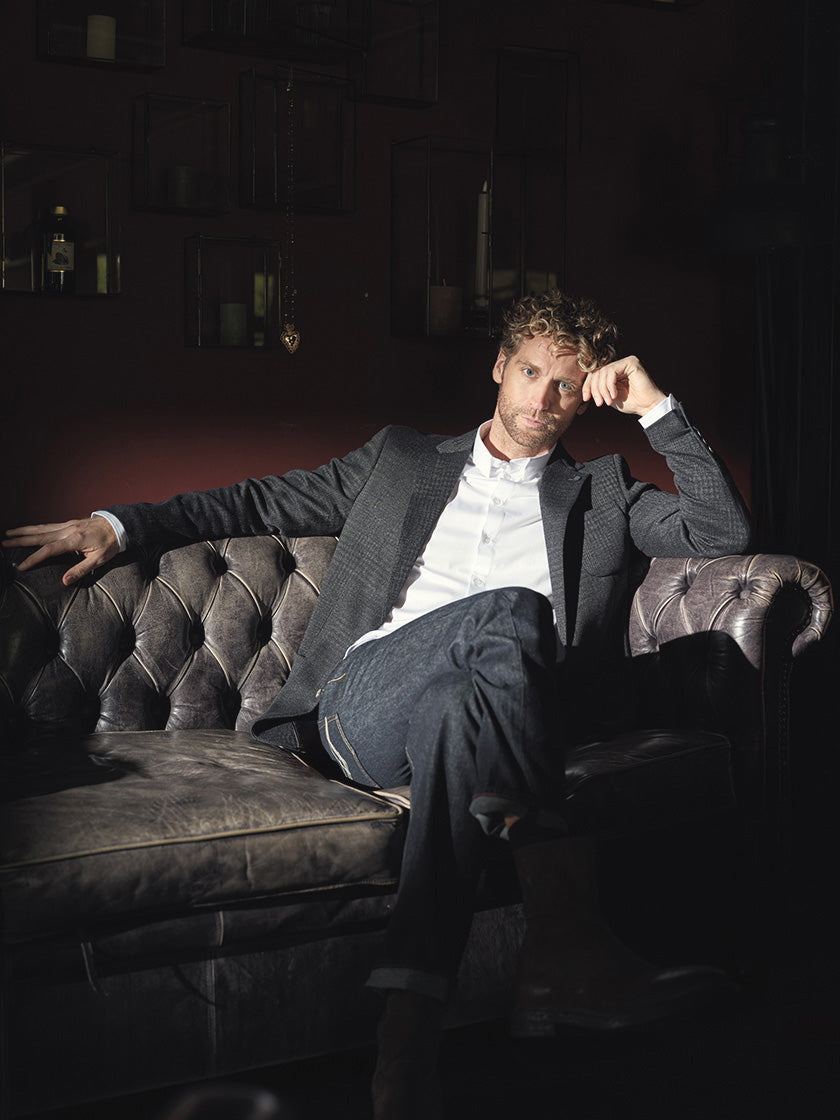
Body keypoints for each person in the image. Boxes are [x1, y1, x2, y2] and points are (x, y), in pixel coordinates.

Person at [4, 290, 751, 1118]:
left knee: (463, 707)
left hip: (485, 716)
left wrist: (656, 408)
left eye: (566, 384)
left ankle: (409, 1035)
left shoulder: (603, 494)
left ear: (587, 398)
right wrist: (120, 525)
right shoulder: (401, 461)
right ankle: (564, 940)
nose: (543, 397)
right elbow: (255, 503)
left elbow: (722, 533)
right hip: (363, 708)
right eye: (531, 372)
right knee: (511, 612)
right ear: (499, 367)